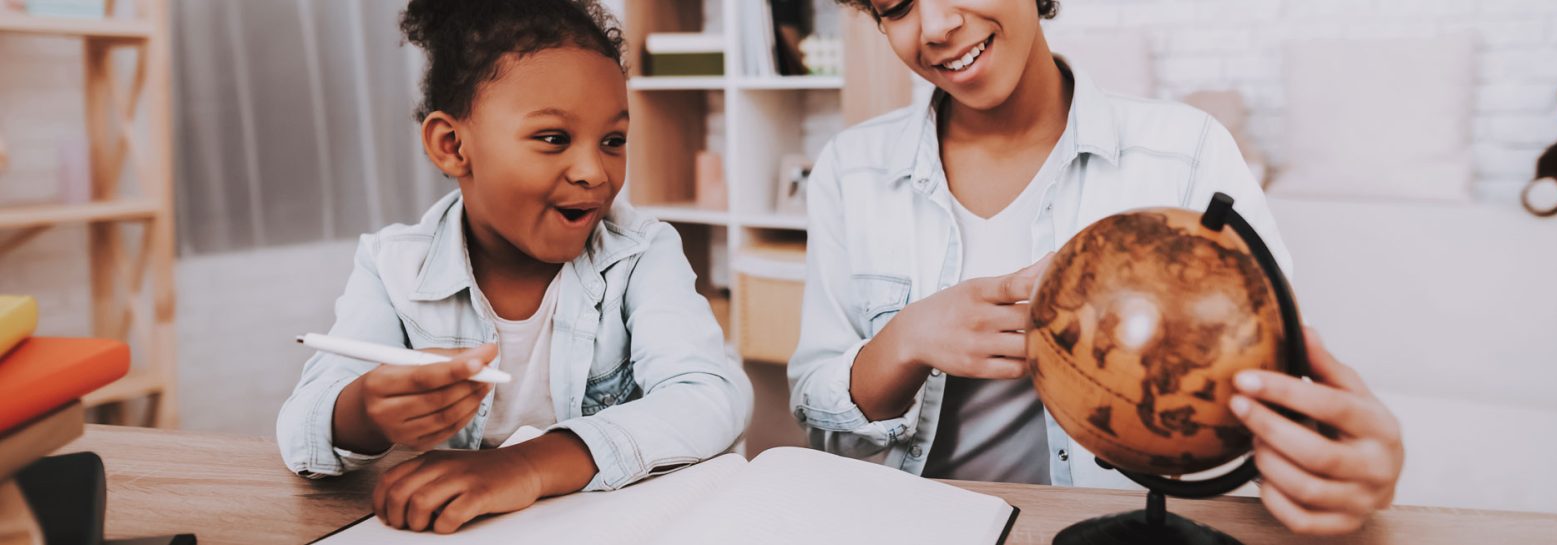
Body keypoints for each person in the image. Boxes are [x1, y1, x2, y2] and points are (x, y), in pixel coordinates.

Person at [789, 0, 1403, 535]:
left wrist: (1340, 462)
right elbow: (820, 421)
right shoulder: (852, 169)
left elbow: (1281, 391)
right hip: (911, 524)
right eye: (896, 6)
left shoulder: (1186, 155)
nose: (936, 25)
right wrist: (906, 341)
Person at [276, 0, 751, 534]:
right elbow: (300, 432)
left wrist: (525, 466)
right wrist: (362, 412)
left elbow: (711, 398)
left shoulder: (642, 253)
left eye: (613, 141)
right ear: (452, 145)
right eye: (554, 139)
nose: (594, 172)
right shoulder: (392, 266)